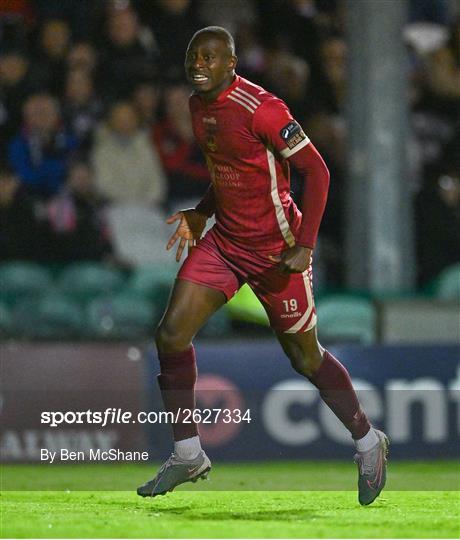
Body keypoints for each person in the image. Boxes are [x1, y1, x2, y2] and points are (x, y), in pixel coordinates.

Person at [137, 26, 388, 506]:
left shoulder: (264, 109)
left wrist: (306, 245)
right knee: (171, 334)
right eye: (194, 55)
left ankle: (367, 439)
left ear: (231, 64)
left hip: (278, 249)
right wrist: (203, 212)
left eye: (210, 57)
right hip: (227, 242)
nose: (199, 64)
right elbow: (230, 172)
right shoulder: (198, 105)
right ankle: (188, 452)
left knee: (305, 358)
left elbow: (318, 170)